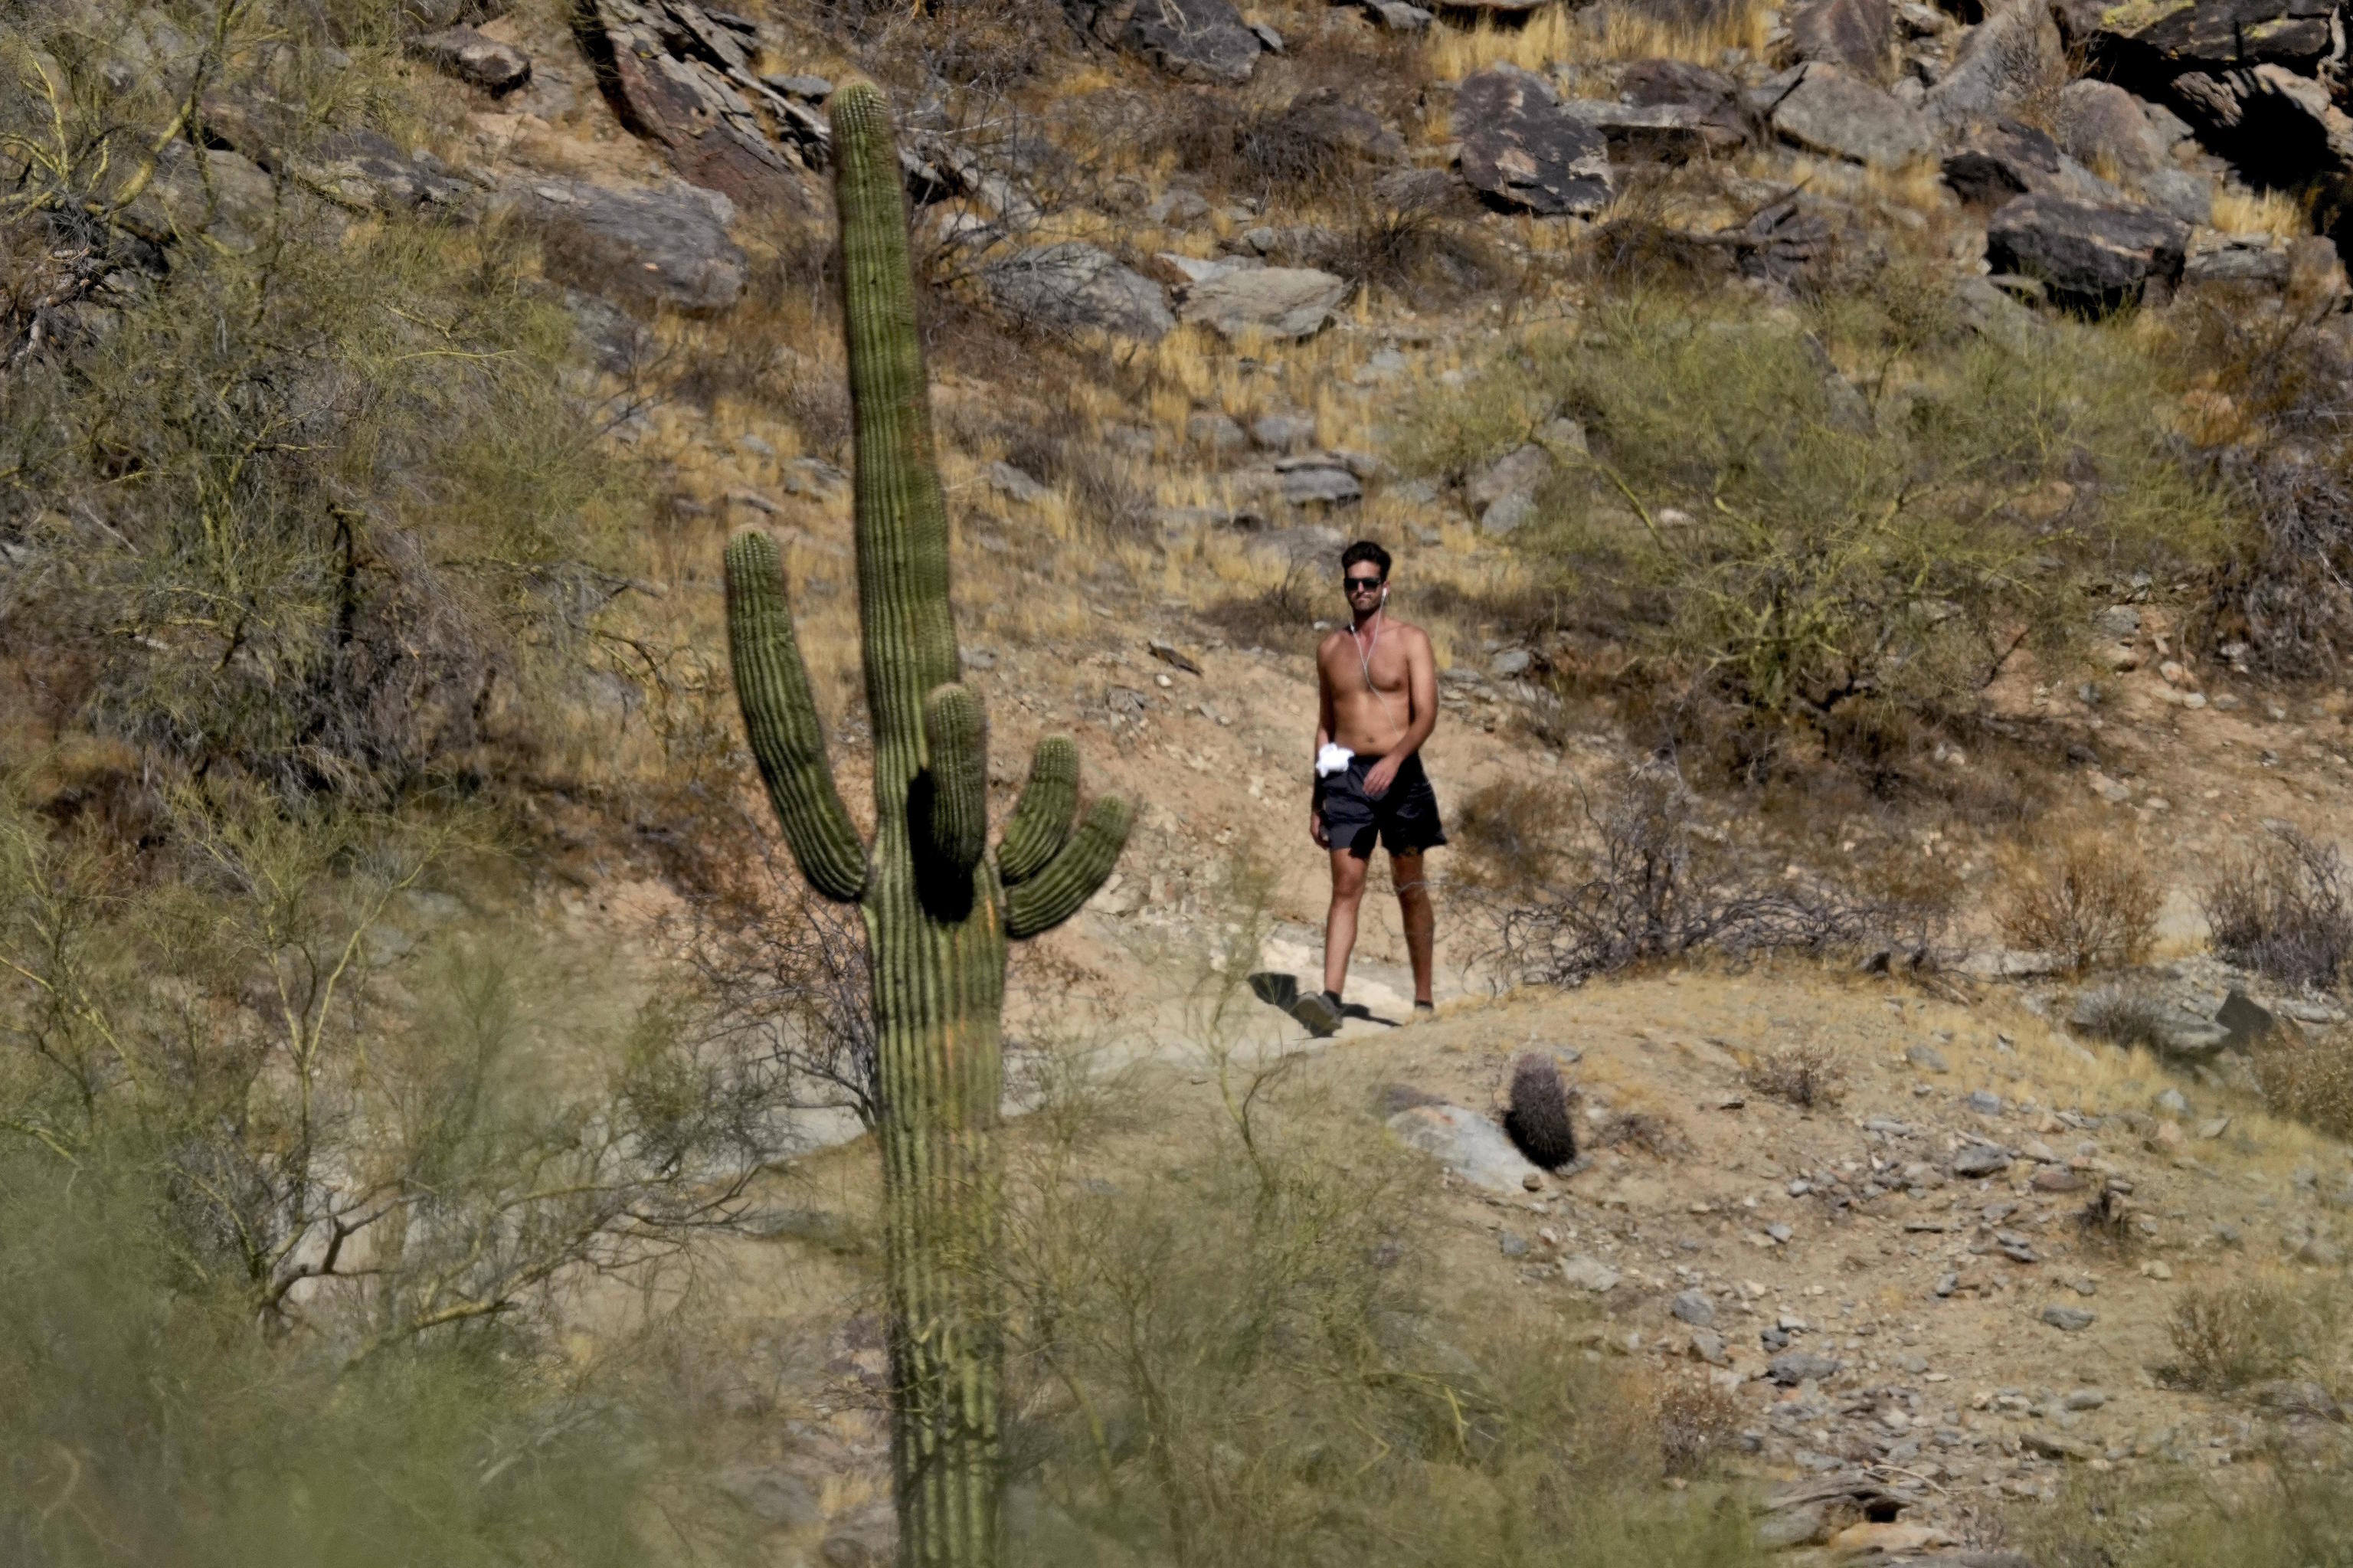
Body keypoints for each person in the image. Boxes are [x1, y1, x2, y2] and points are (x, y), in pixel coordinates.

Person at [1292, 540, 1444, 1037]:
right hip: (1346, 776)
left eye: (1369, 583)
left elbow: (1426, 713)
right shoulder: (1330, 649)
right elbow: (1325, 725)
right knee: (1345, 886)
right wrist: (1319, 794)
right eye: (1352, 583)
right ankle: (1330, 1000)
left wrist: (1397, 758)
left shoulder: (1410, 640)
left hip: (1400, 775)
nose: (1360, 590)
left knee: (1409, 886)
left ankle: (1423, 1000)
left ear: (1386, 587)